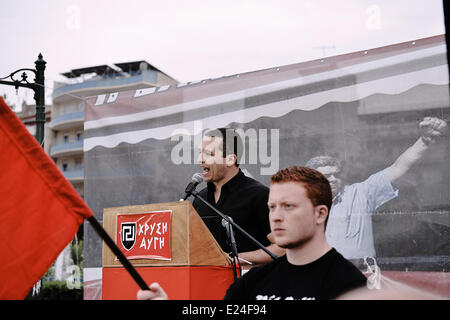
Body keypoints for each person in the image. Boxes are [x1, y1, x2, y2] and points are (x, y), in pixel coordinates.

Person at [138, 166, 367, 300]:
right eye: (272, 207)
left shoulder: (348, 284)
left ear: (320, 214)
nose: (276, 216)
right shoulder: (252, 283)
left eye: (288, 206)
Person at [305, 116, 448, 260]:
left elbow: (398, 167)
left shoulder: (361, 193)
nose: (334, 179)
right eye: (327, 176)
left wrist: (424, 140)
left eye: (336, 174)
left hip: (360, 277)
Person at [192, 127, 284, 264]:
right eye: (200, 153)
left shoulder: (259, 195)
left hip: (250, 282)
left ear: (230, 160)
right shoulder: (200, 199)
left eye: (208, 154)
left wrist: (232, 260)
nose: (200, 160)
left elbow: (282, 248)